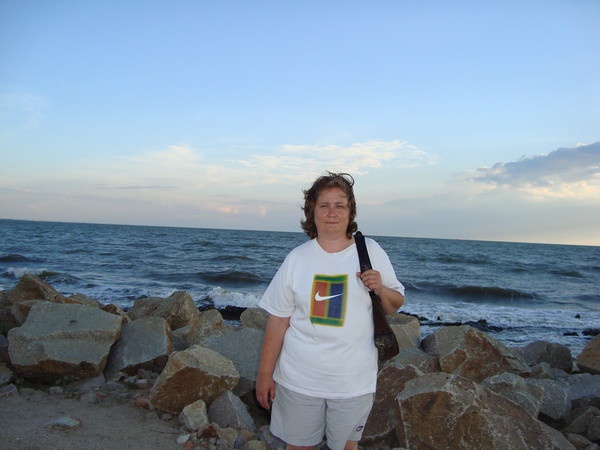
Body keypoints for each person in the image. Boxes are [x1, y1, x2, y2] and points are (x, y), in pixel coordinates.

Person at [256, 172, 405, 450]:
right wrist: (265, 374)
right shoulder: (297, 258)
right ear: (311, 212)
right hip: (298, 379)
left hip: (353, 382)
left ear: (351, 212)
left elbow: (394, 304)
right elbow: (278, 320)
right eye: (324, 205)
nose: (331, 213)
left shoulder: (370, 251)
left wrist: (381, 289)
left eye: (340, 205)